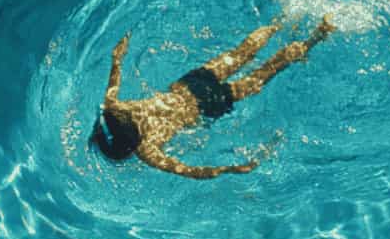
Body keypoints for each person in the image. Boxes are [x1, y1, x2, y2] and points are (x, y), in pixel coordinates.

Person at [91, 16, 335, 179]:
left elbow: (192, 171)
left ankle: (316, 36)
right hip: (190, 83)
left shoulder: (147, 152)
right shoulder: (115, 107)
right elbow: (114, 77)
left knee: (263, 74)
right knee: (242, 52)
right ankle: (282, 21)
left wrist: (230, 168)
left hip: (207, 104)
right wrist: (118, 55)